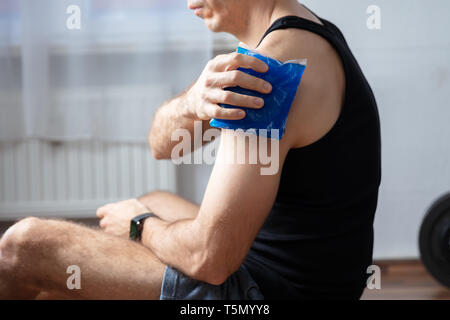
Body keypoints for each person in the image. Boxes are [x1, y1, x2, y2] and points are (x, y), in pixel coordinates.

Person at [0, 0, 381, 300]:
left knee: (23, 247)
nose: (188, 4)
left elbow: (209, 260)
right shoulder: (302, 32)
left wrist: (140, 225)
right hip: (282, 274)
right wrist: (191, 103)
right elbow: (160, 146)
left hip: (262, 296)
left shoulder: (271, 69)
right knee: (155, 199)